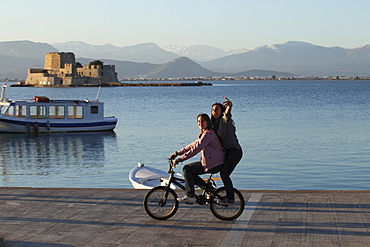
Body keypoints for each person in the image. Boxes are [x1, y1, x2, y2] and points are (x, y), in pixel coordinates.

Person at [170, 113, 225, 204]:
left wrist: (180, 159)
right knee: (192, 173)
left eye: (203, 121)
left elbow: (196, 149)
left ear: (208, 122)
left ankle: (190, 195)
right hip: (212, 162)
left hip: (214, 163)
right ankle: (209, 189)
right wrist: (177, 153)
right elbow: (192, 145)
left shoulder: (208, 134)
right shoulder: (205, 134)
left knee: (187, 169)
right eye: (199, 121)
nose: (200, 123)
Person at [211, 97, 243, 205]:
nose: (214, 112)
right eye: (213, 110)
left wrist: (229, 106)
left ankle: (230, 197)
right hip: (227, 152)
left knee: (224, 174)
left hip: (235, 151)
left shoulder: (225, 120)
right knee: (220, 171)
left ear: (222, 111)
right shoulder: (214, 125)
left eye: (217, 110)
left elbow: (227, 115)